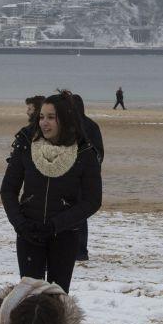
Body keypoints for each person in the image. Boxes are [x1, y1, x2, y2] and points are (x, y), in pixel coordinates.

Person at [0, 91, 102, 292]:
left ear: (64, 118)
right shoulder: (25, 145)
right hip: (29, 233)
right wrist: (20, 224)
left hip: (65, 235)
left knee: (56, 299)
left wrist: (56, 225)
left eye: (51, 117)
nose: (44, 123)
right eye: (41, 117)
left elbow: (92, 200)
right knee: (29, 298)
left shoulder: (84, 152)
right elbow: (8, 190)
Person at [66, 92, 104, 263]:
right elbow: (100, 154)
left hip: (77, 177)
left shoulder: (77, 126)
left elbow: (98, 153)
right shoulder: (91, 125)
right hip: (84, 177)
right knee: (79, 214)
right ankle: (80, 250)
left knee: (75, 213)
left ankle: (79, 250)